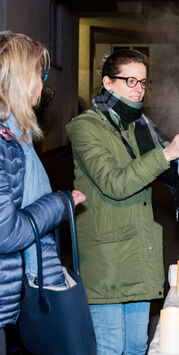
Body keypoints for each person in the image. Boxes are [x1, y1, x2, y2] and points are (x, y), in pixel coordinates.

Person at [65, 49, 179, 355]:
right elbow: (115, 183)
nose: (139, 88)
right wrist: (167, 152)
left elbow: (173, 176)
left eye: (143, 81)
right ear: (108, 83)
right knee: (110, 347)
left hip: (139, 252)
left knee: (136, 345)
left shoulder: (139, 127)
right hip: (106, 258)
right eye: (130, 80)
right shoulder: (85, 127)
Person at [0, 31, 85, 353]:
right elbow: (6, 233)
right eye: (39, 73)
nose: (42, 83)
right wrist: (59, 204)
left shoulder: (12, 136)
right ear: (20, 78)